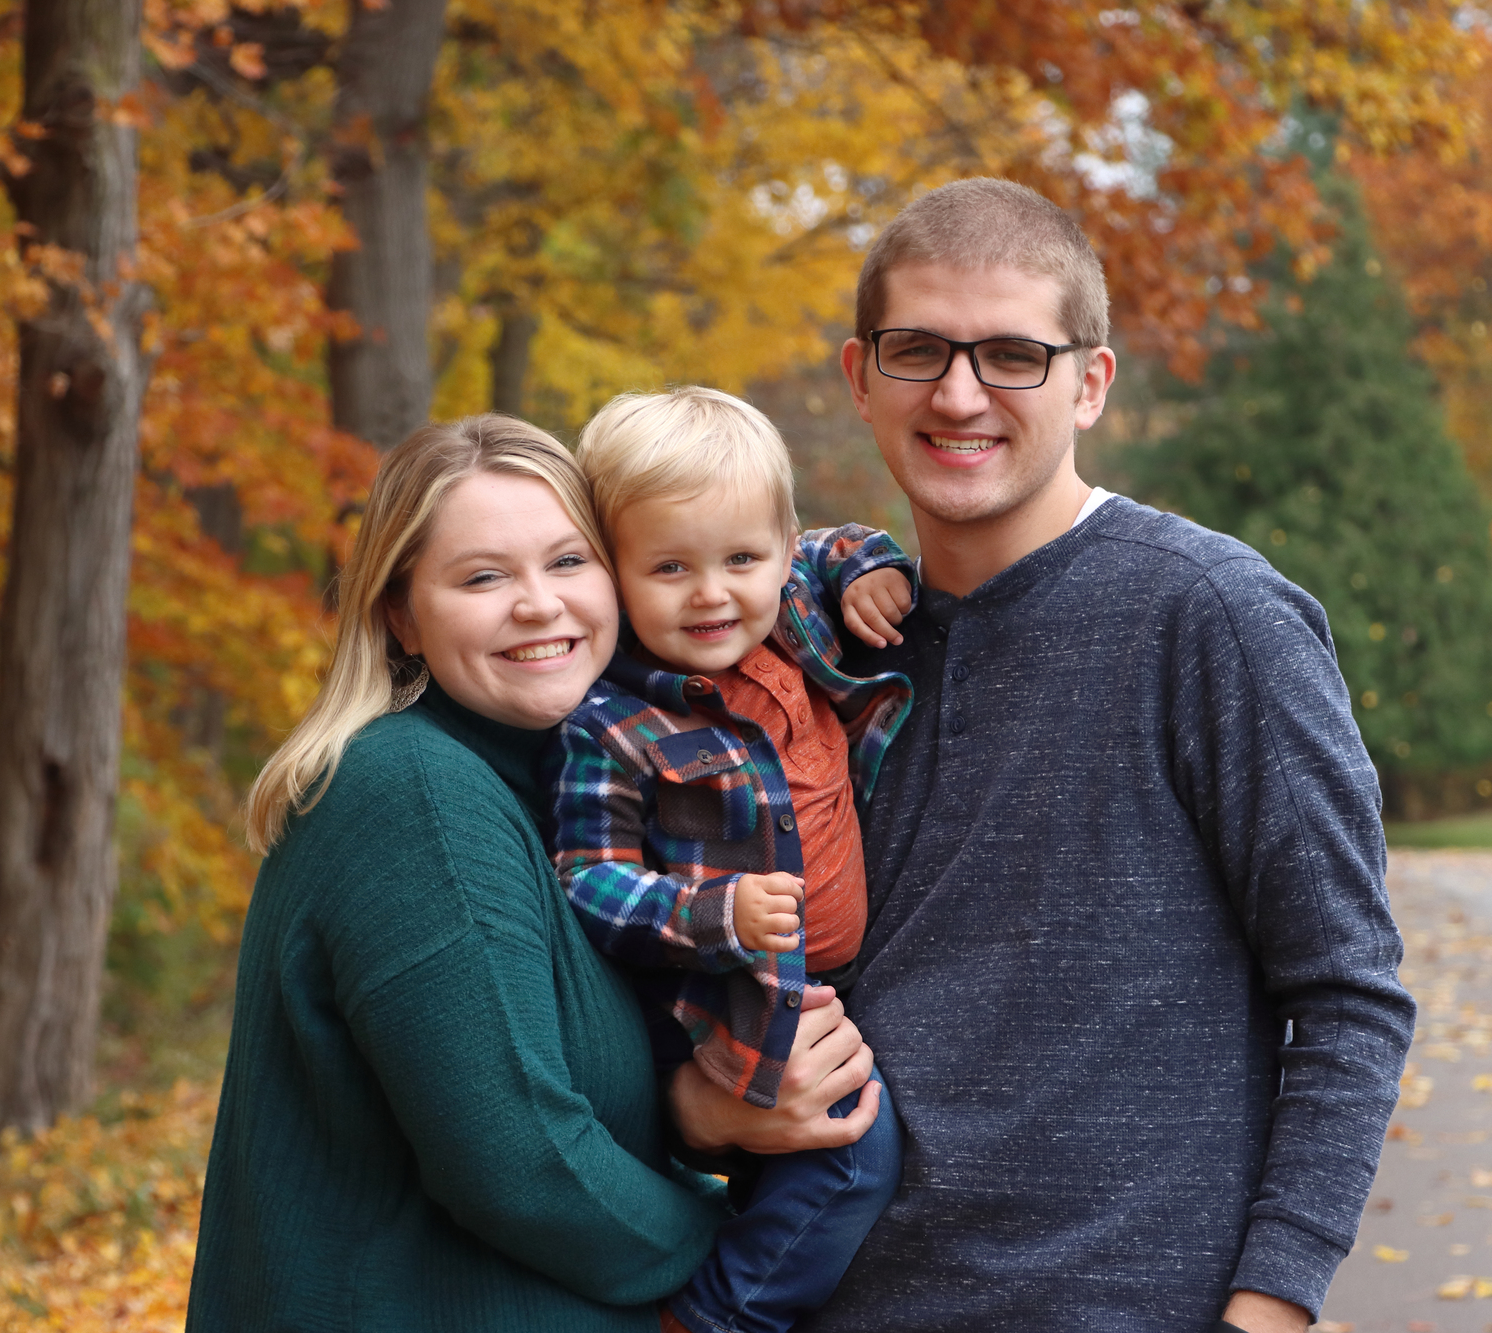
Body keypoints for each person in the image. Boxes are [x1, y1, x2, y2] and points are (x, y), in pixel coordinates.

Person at [728, 178, 1412, 1331]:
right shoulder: (816, 645)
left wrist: (1268, 1309)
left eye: (1010, 354)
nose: (957, 393)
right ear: (859, 375)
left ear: (1088, 383)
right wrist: (712, 1110)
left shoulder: (1208, 616)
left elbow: (1347, 992)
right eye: (916, 350)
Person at [187, 414, 879, 1333]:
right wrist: (727, 1249)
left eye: (567, 561)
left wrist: (707, 1112)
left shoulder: (580, 797)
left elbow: (544, 1082)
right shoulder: (416, 790)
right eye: (483, 576)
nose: (540, 604)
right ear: (400, 613)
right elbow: (517, 1162)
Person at [546, 387, 915, 1333]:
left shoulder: (793, 605)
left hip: (831, 983)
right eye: (669, 566)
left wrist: (872, 565)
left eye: (740, 559)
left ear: (779, 548)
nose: (713, 593)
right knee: (848, 1156)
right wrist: (716, 911)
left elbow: (834, 543)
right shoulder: (614, 723)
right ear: (612, 571)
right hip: (721, 994)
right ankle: (714, 1318)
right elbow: (585, 878)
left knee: (825, 1168)